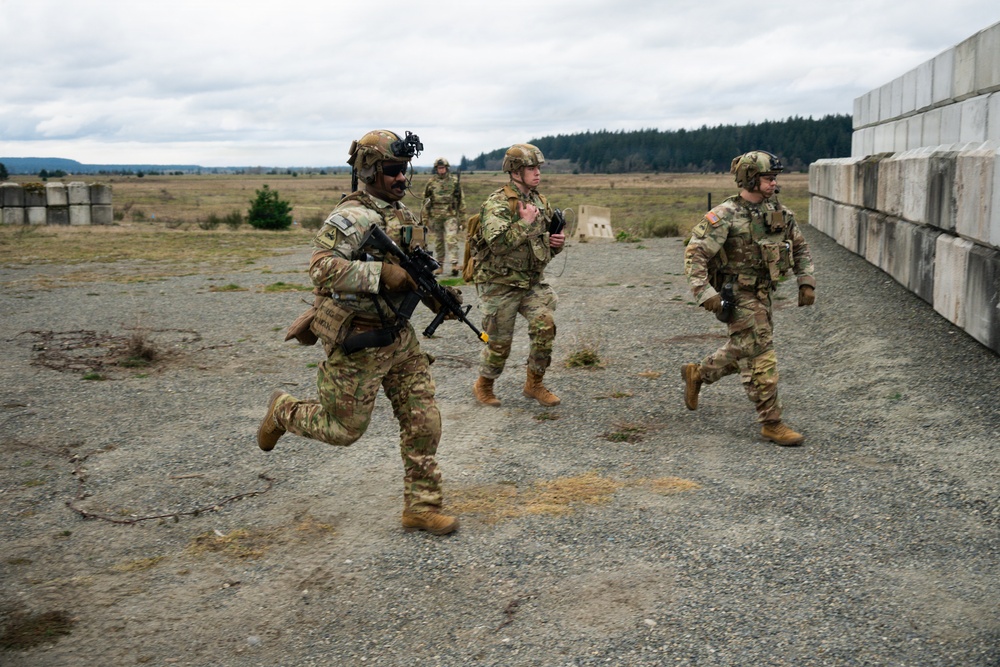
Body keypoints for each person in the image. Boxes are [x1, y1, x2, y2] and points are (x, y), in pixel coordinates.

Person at [256, 129, 458, 535]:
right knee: (344, 429)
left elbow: (413, 273)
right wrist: (382, 274)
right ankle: (284, 411)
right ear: (369, 171)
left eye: (405, 170)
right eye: (392, 171)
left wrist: (437, 297)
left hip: (399, 337)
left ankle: (421, 506)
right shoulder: (349, 217)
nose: (401, 178)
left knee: (424, 422)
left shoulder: (402, 213)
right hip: (360, 340)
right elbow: (320, 267)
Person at [681, 150, 816, 446]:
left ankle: (699, 373)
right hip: (738, 293)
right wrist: (704, 292)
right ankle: (771, 421)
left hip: (765, 293)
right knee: (761, 353)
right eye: (768, 178)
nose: (773, 184)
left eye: (774, 178)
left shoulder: (779, 212)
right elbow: (695, 253)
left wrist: (806, 281)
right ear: (750, 179)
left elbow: (801, 247)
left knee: (746, 346)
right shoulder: (725, 215)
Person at [469, 143, 566, 408]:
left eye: (538, 168)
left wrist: (556, 244)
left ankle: (534, 384)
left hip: (530, 283)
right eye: (531, 168)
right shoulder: (498, 203)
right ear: (515, 172)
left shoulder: (540, 202)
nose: (537, 173)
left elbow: (541, 248)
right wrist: (523, 223)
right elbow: (497, 245)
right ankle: (484, 385)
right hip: (499, 283)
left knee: (545, 326)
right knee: (499, 343)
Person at [421, 157, 466, 276]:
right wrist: (425, 219)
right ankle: (439, 266)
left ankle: (454, 265)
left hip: (450, 215)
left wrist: (463, 219)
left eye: (443, 168)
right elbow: (426, 201)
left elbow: (461, 201)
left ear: (447, 168)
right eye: (439, 168)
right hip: (436, 216)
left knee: (451, 239)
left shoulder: (454, 182)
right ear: (436, 169)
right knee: (439, 241)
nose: (441, 170)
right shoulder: (431, 183)